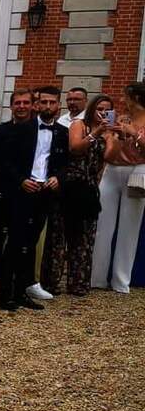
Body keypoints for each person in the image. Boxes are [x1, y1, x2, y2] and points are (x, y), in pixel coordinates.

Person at [0, 88, 68, 312]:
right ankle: (6, 295)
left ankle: (21, 291)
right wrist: (21, 180)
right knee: (15, 243)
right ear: (37, 105)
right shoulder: (21, 129)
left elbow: (65, 163)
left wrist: (57, 177)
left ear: (58, 105)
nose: (47, 106)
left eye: (52, 102)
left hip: (45, 193)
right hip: (21, 192)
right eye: (44, 102)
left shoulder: (62, 132)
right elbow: (5, 161)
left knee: (30, 244)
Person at [44, 94, 114, 297]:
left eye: (107, 110)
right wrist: (96, 133)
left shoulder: (108, 132)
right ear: (92, 109)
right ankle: (51, 282)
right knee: (59, 236)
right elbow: (75, 148)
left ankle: (78, 283)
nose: (103, 113)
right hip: (70, 183)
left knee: (84, 238)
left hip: (89, 186)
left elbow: (108, 157)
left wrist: (116, 136)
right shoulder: (79, 125)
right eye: (99, 109)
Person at [91, 81, 145, 294]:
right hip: (112, 170)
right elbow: (109, 152)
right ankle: (97, 278)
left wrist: (133, 133)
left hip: (137, 173)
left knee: (129, 229)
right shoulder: (122, 118)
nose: (122, 100)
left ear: (136, 99)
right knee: (102, 225)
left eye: (125, 97)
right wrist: (115, 137)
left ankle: (121, 281)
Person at [0, 88, 34, 297]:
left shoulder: (39, 130)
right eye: (17, 103)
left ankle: (22, 280)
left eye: (25, 102)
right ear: (11, 106)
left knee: (25, 238)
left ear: (32, 105)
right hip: (3, 191)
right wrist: (19, 180)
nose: (21, 106)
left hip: (31, 191)